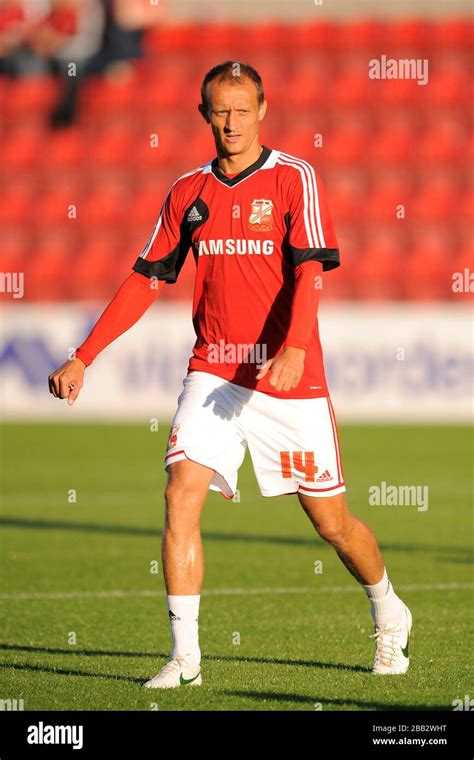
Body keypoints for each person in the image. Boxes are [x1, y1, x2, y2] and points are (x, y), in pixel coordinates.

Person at [48, 61, 412, 688]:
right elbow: (146, 278)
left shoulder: (294, 178)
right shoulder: (187, 192)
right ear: (204, 115)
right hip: (212, 370)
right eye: (221, 110)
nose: (232, 122)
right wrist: (86, 353)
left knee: (333, 525)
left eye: (243, 110)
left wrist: (296, 346)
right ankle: (185, 658)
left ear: (262, 110)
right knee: (179, 496)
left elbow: (309, 272)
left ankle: (387, 609)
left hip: (286, 377)